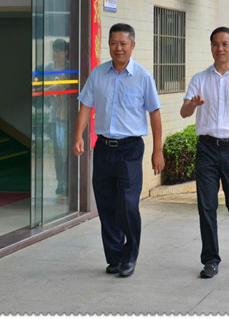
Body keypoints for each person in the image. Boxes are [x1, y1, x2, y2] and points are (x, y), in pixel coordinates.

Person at [73, 23, 164, 278]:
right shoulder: (98, 74)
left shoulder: (143, 77)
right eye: (114, 43)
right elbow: (85, 106)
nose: (118, 48)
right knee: (106, 204)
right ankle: (114, 257)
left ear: (132, 46)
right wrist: (78, 135)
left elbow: (155, 114)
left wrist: (158, 150)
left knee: (127, 204)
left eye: (123, 43)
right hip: (103, 147)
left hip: (130, 149)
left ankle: (129, 255)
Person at [180, 27, 229, 279]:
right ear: (211, 48)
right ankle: (210, 260)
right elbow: (184, 112)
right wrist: (193, 104)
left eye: (225, 44)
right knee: (206, 205)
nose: (220, 48)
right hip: (207, 149)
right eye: (215, 44)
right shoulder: (200, 78)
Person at [45, 38, 70, 195]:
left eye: (58, 51)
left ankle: (67, 182)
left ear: (65, 52)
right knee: (58, 151)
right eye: (54, 51)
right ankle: (60, 182)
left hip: (67, 114)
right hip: (54, 115)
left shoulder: (70, 67)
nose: (55, 54)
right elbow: (44, 89)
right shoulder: (48, 68)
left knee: (66, 151)